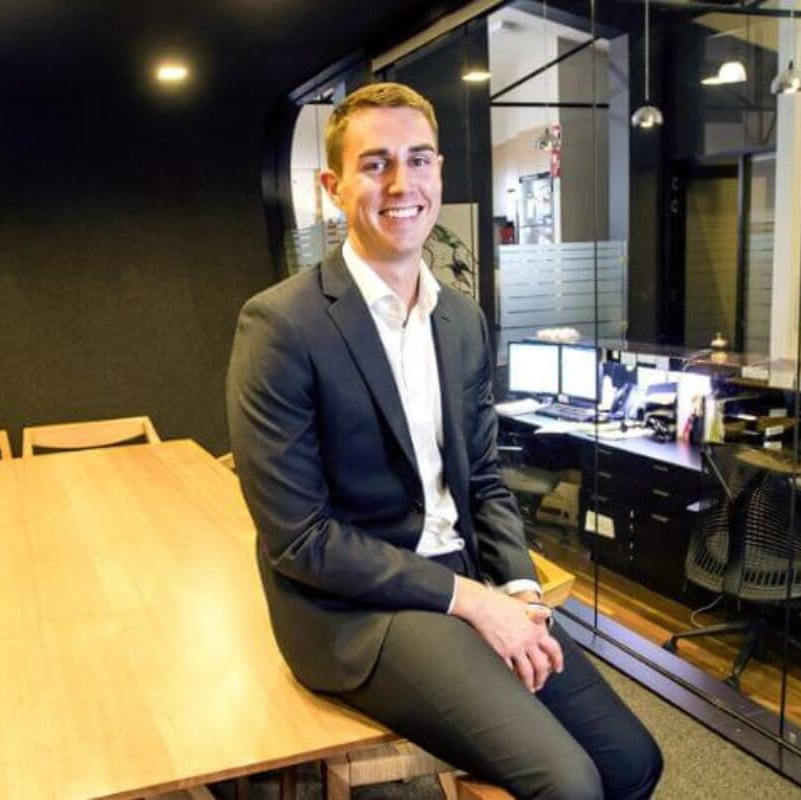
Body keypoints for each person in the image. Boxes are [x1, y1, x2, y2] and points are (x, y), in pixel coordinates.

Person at [226, 82, 662, 799]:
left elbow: (484, 478)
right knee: (571, 784)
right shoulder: (281, 326)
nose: (402, 184)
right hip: (353, 611)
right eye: (376, 164)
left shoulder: (461, 319)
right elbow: (302, 539)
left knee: (633, 762)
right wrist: (473, 601)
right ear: (335, 187)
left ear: (439, 173)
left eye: (419, 159)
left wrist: (519, 589)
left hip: (463, 579)